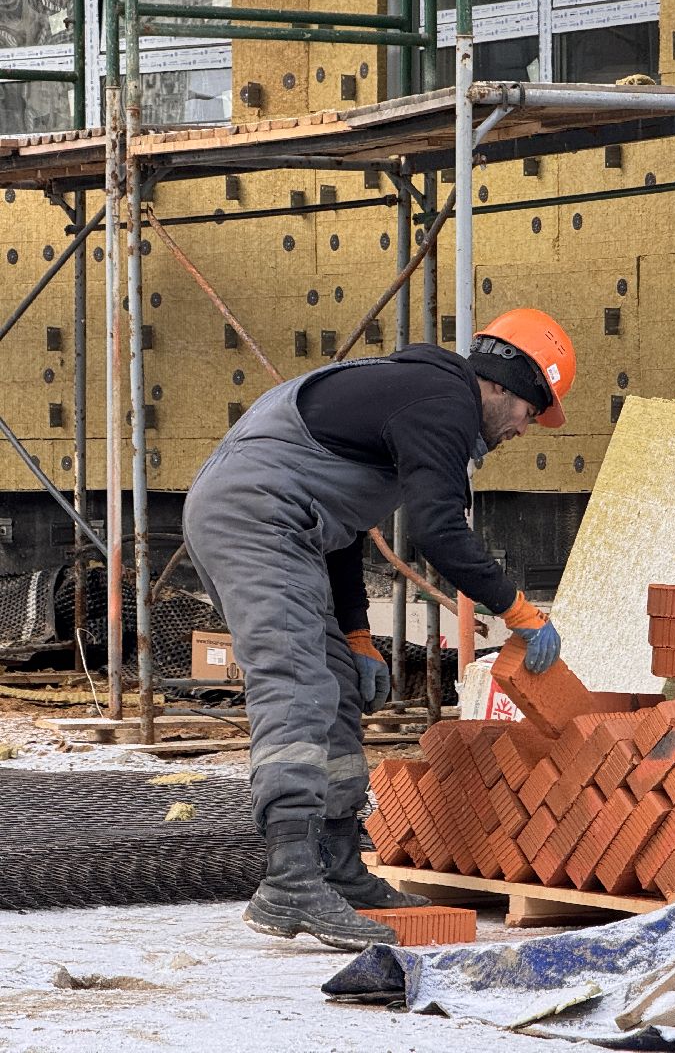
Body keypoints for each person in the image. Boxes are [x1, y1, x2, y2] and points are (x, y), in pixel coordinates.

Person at [182, 309, 574, 950]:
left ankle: (337, 864)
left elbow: (335, 525)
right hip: (254, 518)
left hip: (284, 522)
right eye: (532, 412)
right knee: (297, 683)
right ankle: (288, 881)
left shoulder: (413, 397)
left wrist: (358, 635)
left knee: (333, 677)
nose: (524, 429)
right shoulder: (443, 401)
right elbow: (437, 530)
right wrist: (518, 610)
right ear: (507, 383)